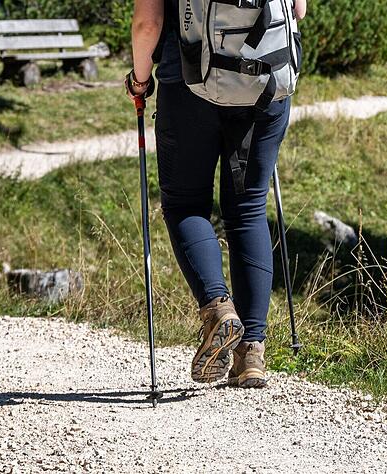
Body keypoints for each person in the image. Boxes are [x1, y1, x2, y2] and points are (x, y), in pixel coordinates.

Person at [125, 0, 306, 388]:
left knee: (186, 204)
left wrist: (140, 81)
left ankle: (218, 310)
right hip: (265, 82)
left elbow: (146, 24)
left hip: (190, 82)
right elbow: (299, 10)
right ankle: (251, 352)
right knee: (248, 210)